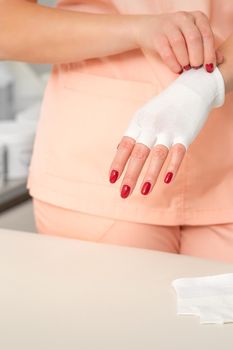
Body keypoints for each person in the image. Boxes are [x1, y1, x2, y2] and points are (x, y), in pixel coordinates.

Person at [2, 0, 233, 263]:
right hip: (97, 166)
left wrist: (206, 86)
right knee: (111, 302)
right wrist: (137, 30)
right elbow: (5, 26)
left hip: (225, 160)